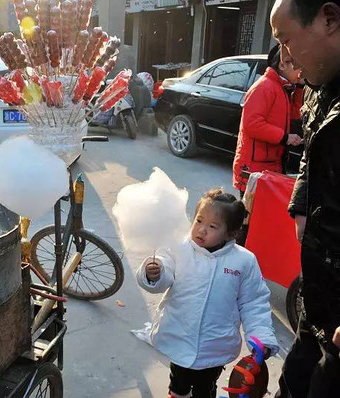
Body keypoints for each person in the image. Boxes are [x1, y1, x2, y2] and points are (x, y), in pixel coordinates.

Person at [137, 189, 279, 398]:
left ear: (231, 233)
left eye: (212, 226)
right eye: (199, 220)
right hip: (179, 336)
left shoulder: (244, 261)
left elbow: (253, 303)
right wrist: (153, 274)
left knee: (205, 387)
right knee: (179, 382)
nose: (201, 230)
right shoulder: (178, 247)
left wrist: (262, 338)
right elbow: (162, 277)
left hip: (215, 345)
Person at [270, 0, 340, 396]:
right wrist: (300, 204)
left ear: (328, 19)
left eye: (287, 40)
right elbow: (310, 157)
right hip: (318, 300)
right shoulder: (320, 89)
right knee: (292, 382)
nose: (285, 56)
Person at [232, 43, 303, 196]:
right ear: (282, 65)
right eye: (296, 65)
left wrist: (300, 88)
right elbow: (252, 124)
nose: (300, 69)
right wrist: (285, 137)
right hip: (253, 167)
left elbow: (295, 114)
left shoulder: (282, 88)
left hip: (269, 165)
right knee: (249, 217)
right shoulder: (264, 87)